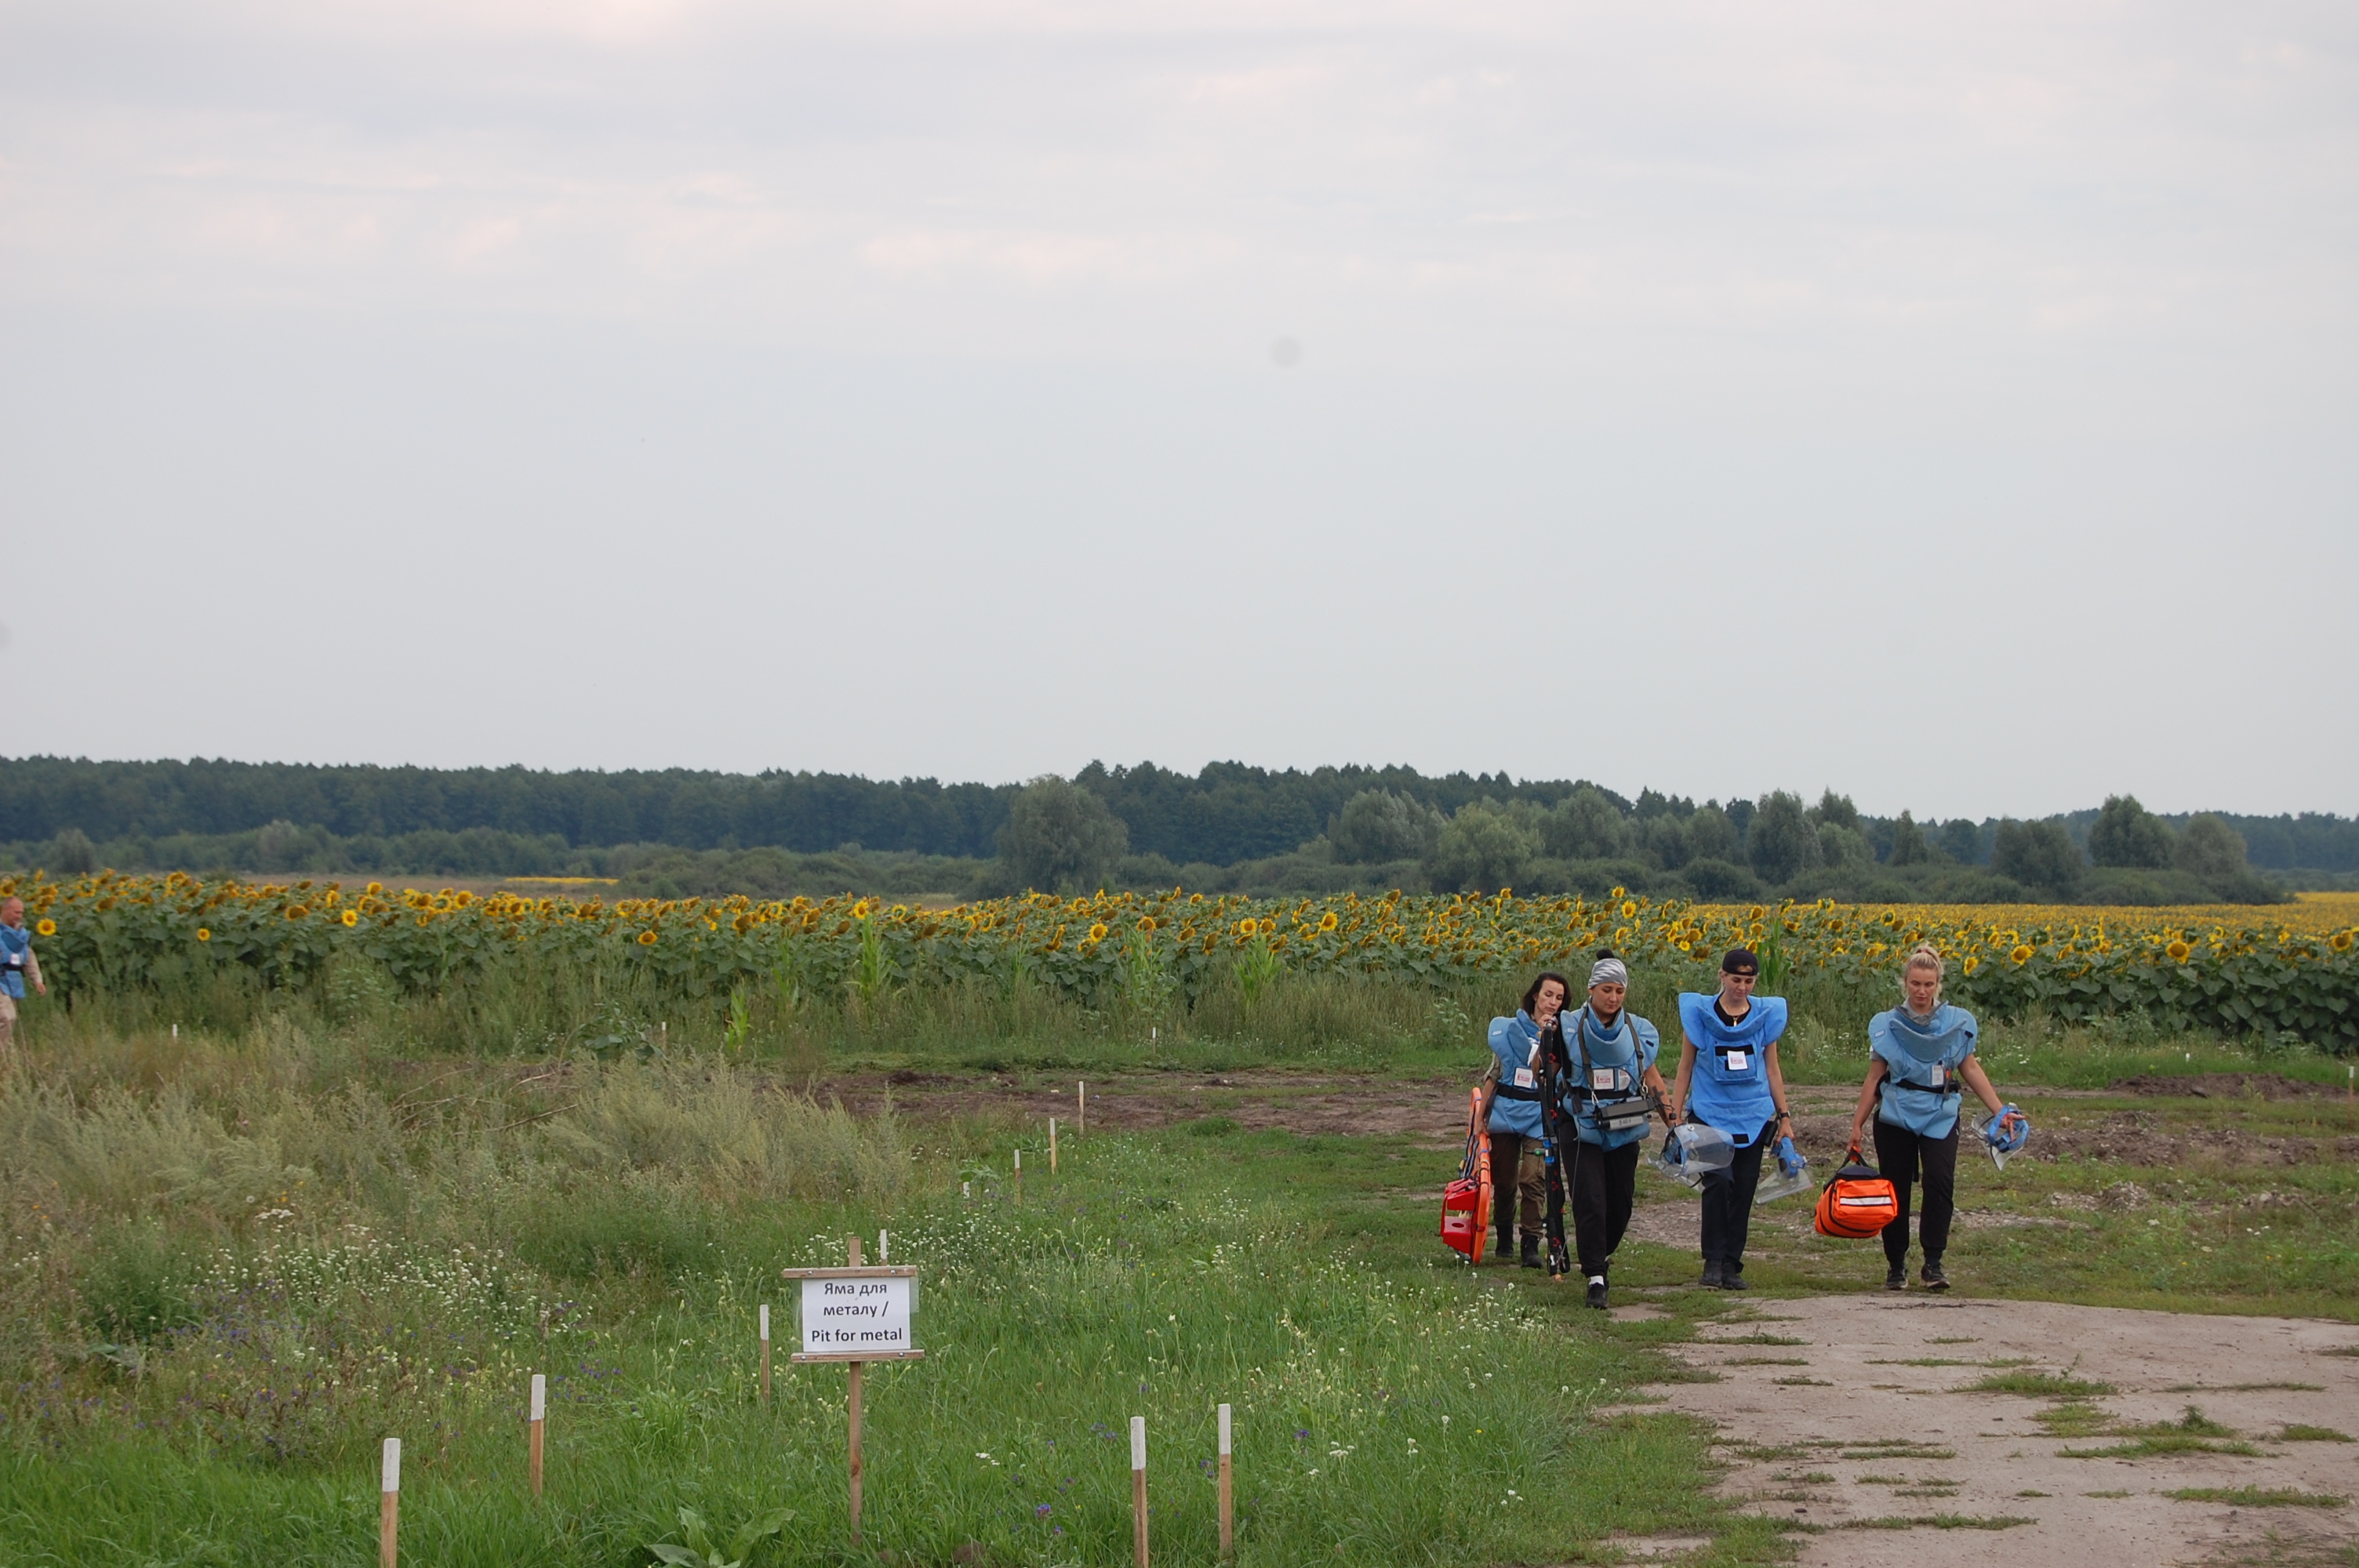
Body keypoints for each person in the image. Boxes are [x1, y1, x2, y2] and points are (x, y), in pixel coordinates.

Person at [1848, 944, 2023, 1292]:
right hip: (1896, 1113)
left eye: (1929, 985)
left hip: (1940, 1113)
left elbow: (1969, 1067)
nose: (1921, 991)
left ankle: (1933, 1263)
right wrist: (1857, 1124)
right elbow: (1874, 1077)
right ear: (1905, 983)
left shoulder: (1957, 1024)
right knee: (1895, 1189)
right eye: (1915, 984)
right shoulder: (1887, 1025)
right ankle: (1896, 1266)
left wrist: (1999, 1111)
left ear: (1938, 985)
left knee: (1940, 1183)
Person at [1544, 949, 1670, 1309]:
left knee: (1620, 1205)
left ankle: (1598, 1249)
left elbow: (1652, 1077)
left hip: (1625, 1122)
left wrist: (1674, 1125)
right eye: (1606, 990)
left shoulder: (1638, 1031)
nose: (1613, 998)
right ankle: (1596, 1276)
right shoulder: (1566, 1026)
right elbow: (1545, 1070)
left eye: (1619, 991)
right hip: (1579, 1122)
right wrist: (1546, 1041)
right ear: (1591, 989)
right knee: (1590, 1199)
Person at [1670, 947, 1796, 1290]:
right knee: (1718, 1182)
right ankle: (1712, 1258)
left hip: (1752, 1115)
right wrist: (1675, 1115)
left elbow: (1772, 1070)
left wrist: (1784, 1117)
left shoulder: (1765, 1017)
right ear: (1722, 976)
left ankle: (1731, 1265)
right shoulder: (1699, 1016)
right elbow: (1685, 1068)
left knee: (1743, 1189)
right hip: (1710, 1112)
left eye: (1749, 981)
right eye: (1736, 979)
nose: (1742, 987)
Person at [1483, 971, 1569, 1269]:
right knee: (1504, 1182)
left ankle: (1530, 1243)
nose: (1553, 1002)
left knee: (1533, 1179)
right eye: (1548, 995)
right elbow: (1494, 1075)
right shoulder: (1510, 1031)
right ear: (1535, 995)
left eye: (1559, 998)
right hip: (1506, 1114)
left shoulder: (1564, 1035)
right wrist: (1479, 1119)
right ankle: (1504, 1234)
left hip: (1539, 1116)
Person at [0, 897, 47, 1076]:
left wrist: (37, 980)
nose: (19, 916)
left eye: (21, 913)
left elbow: (29, 958)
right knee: (7, 1017)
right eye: (16, 912)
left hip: (13, 981)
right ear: (5, 911)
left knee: (8, 1023)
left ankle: (6, 1066)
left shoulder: (21, 935)